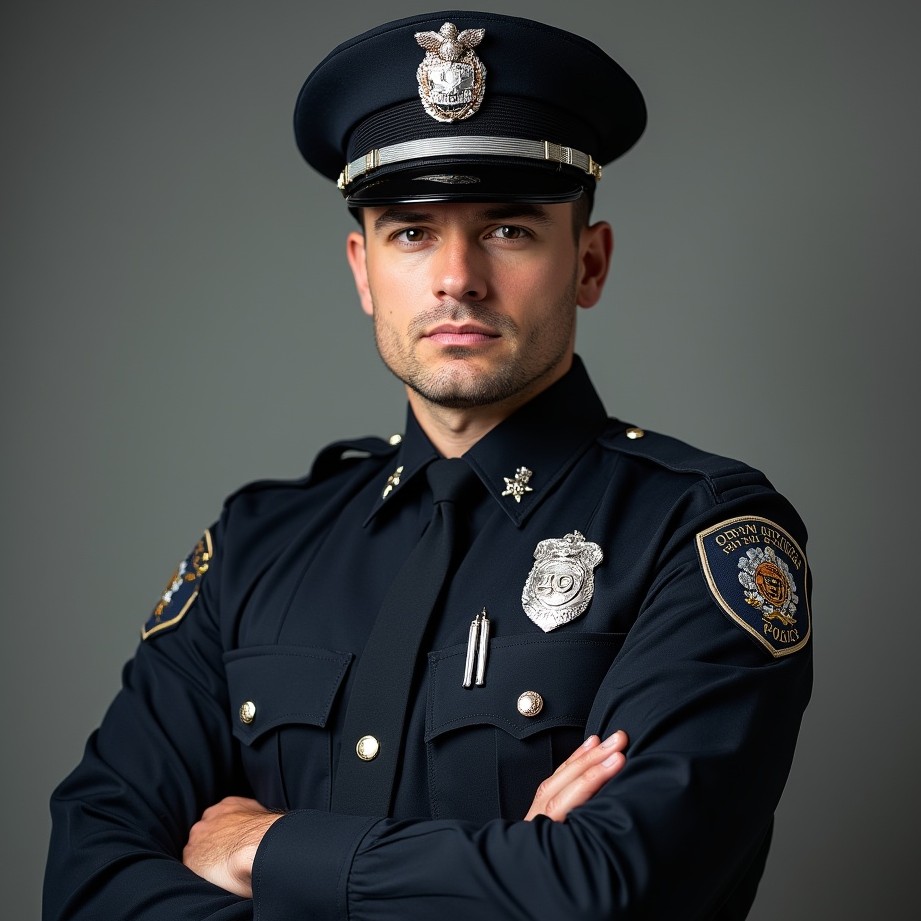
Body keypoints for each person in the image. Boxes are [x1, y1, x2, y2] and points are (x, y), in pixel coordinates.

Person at [43, 10, 812, 921]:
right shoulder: (256, 546)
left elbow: (612, 888)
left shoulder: (699, 532)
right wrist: (515, 871)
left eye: (509, 229)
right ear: (362, 269)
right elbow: (88, 879)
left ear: (588, 263)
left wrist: (266, 847)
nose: (457, 277)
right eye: (410, 232)